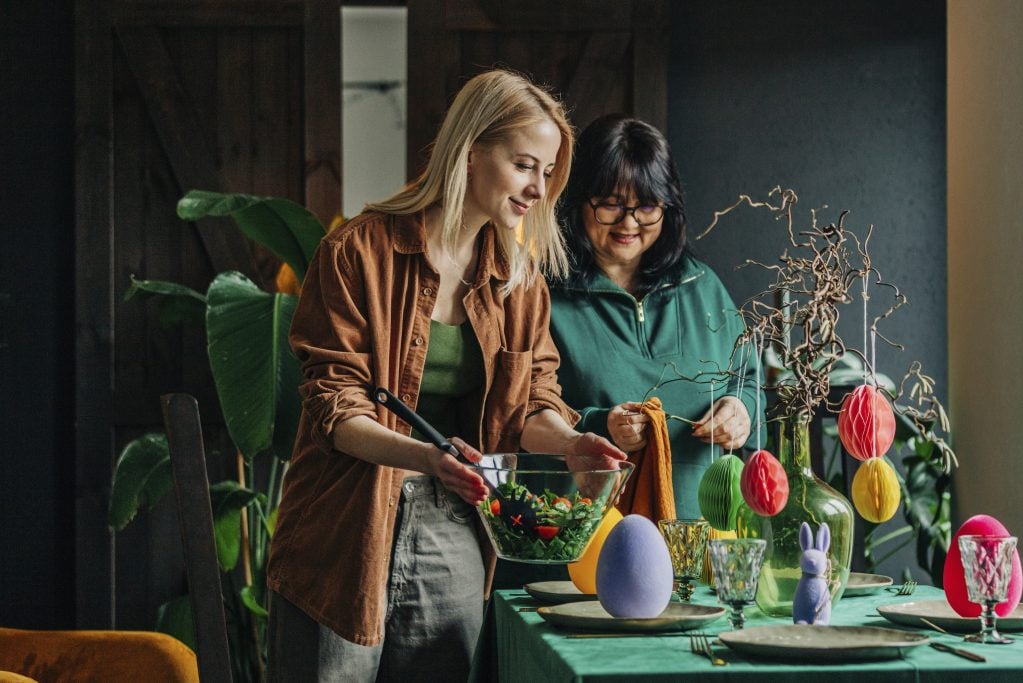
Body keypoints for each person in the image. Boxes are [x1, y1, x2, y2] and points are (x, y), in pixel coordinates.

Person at [265, 70, 626, 682]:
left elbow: (528, 403)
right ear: (471, 149)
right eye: (524, 165)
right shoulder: (356, 253)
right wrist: (425, 457)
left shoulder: (520, 281)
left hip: (455, 522)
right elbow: (336, 406)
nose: (539, 188)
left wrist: (569, 444)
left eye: (547, 172)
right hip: (343, 526)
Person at [547, 113, 764, 521]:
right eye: (610, 204)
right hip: (584, 544)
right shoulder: (543, 297)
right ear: (577, 200)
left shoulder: (702, 286)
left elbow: (749, 380)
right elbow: (516, 414)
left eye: (646, 205)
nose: (629, 223)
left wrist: (742, 409)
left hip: (705, 538)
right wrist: (599, 426)